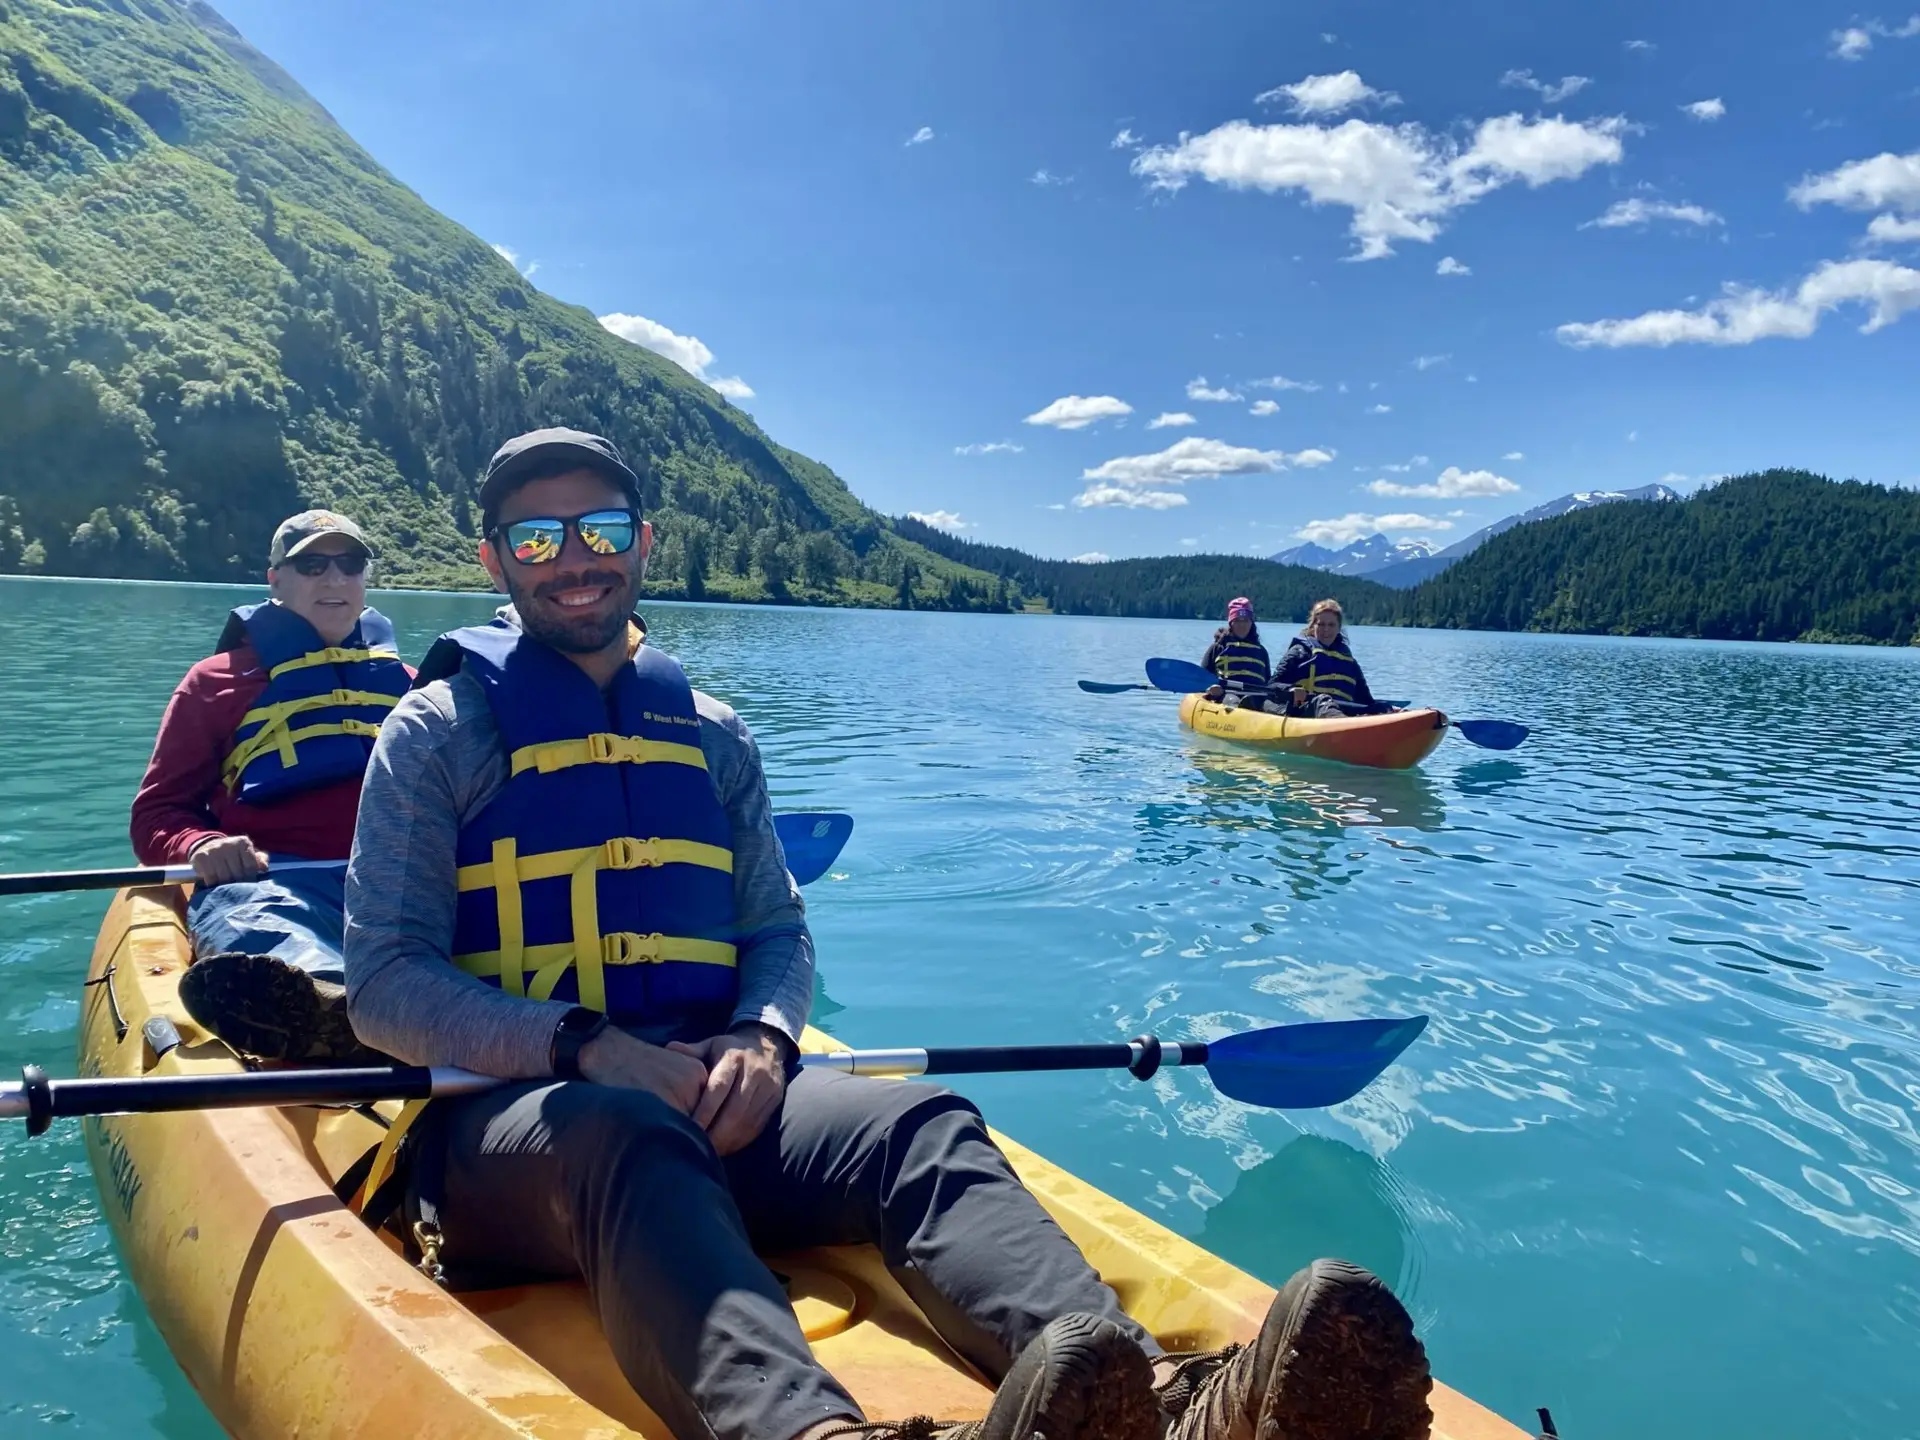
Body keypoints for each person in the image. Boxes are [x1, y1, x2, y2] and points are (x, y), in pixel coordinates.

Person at [342, 427, 1433, 1440]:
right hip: (511, 1132)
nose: (576, 558)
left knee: (917, 1121)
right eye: (539, 537)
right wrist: (585, 1047)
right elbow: (385, 983)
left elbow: (778, 931)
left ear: (645, 543)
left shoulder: (711, 735)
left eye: (603, 528)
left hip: (710, 1104)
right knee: (626, 1134)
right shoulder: (436, 733)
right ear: (495, 561)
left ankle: (1154, 1405)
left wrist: (763, 1038)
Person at [130, 509, 412, 1061]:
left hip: (401, 884)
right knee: (251, 921)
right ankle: (330, 1013)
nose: (335, 579)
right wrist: (201, 845)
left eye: (350, 564)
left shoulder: (410, 687)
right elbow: (157, 814)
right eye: (312, 565)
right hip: (273, 883)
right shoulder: (214, 683)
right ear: (275, 579)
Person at [1272, 598, 1381, 718]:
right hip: (1308, 712)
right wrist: (1290, 689)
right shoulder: (1299, 653)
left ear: (1339, 628)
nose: (1326, 629)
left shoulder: (1350, 663)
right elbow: (1272, 685)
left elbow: (1366, 701)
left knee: (1381, 707)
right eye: (1321, 624)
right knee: (1322, 701)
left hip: (1345, 714)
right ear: (1313, 626)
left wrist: (1384, 709)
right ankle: (1341, 723)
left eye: (1331, 625)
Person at [1200, 597, 1271, 709]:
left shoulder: (1261, 651)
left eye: (1246, 620)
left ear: (1251, 623)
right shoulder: (1218, 648)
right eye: (1238, 620)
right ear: (1231, 623)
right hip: (1227, 694)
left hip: (1258, 697)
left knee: (1270, 706)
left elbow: (1268, 682)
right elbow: (1202, 679)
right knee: (1233, 701)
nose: (1242, 625)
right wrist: (1211, 688)